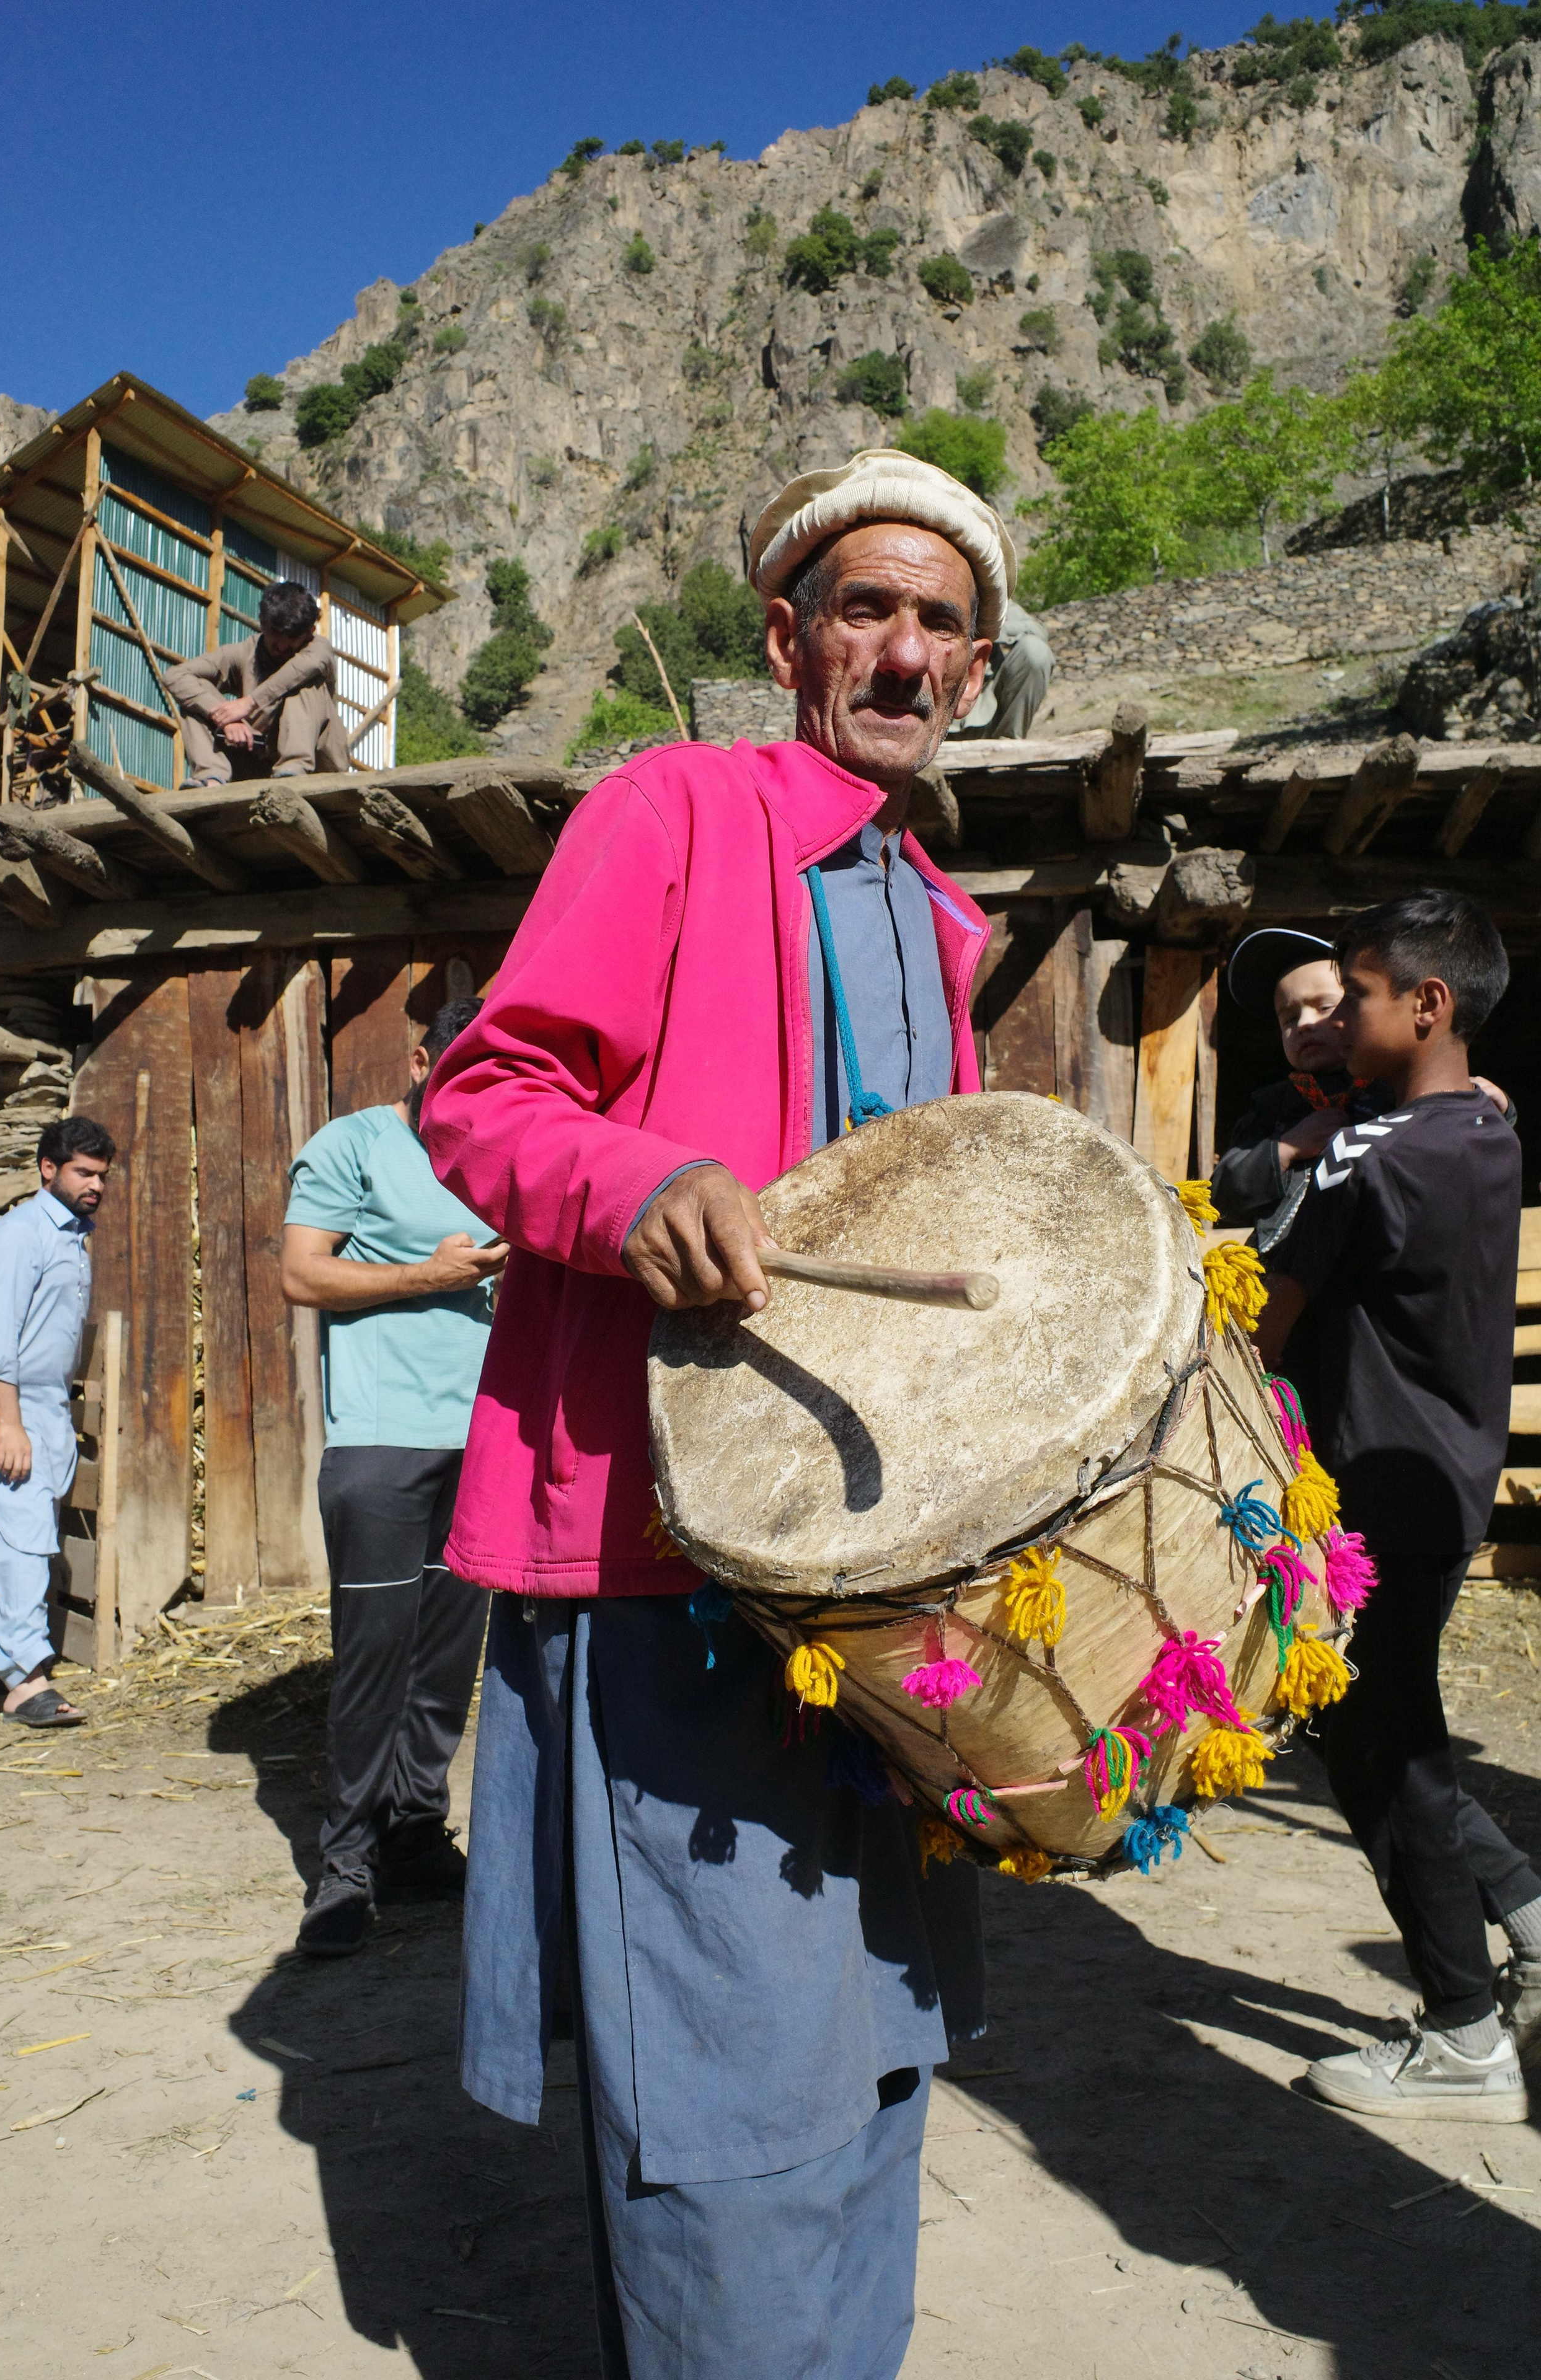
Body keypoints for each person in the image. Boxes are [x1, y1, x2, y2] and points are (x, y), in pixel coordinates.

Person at [422, 446, 1002, 2379]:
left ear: (976, 668)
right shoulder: (676, 809)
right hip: (676, 1558)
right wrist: (635, 1180)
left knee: (882, 2047)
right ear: (786, 636)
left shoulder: (935, 917)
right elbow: (483, 1099)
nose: (903, 649)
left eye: (940, 619)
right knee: (734, 2095)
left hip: (884, 1575)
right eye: (867, 606)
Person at [1254, 891, 1541, 2120]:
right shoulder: (1481, 1138)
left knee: (1384, 1759)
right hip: (1442, 1485)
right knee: (1382, 1736)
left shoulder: (1368, 1156)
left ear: (1424, 1006)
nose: (1336, 1016)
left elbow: (1262, 1312)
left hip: (1360, 1498)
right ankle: (1525, 1918)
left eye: (1356, 996)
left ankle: (1463, 2034)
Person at [281, 998, 508, 1957]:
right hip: (381, 1442)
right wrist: (430, 1276)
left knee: (448, 1664)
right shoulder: (355, 1145)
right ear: (420, 1060)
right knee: (375, 1655)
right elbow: (303, 1276)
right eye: (457, 1071)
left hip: (484, 1442)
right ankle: (346, 1867)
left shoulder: (498, 1157)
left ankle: (416, 1834)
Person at [0, 1117, 115, 1727]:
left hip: (41, 1406)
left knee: (5, 1536)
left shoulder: (70, 1236)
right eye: (83, 1172)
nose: (95, 1184)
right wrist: (8, 1424)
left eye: (101, 1175)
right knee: (23, 1539)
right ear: (48, 1169)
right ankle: (26, 1680)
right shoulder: (20, 1234)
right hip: (7, 1407)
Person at [1214, 925, 1511, 1254]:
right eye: (1288, 1018)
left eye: (1325, 1007)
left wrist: (1492, 1107)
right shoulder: (1273, 1105)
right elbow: (1223, 1193)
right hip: (1290, 1265)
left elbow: (1460, 1140)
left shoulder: (1396, 1084)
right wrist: (1288, 1148)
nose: (1304, 1025)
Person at [165, 580, 351, 788]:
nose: (281, 646)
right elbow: (176, 676)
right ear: (263, 622)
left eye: (290, 640)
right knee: (194, 697)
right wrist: (225, 719)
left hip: (320, 763)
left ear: (310, 631)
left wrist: (250, 703)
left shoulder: (320, 649)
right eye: (275, 636)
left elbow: (304, 667)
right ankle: (211, 776)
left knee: (301, 680)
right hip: (259, 762)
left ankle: (293, 769)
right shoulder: (244, 653)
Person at [944, 593, 1054, 741]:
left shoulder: (995, 600)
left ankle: (1010, 743)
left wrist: (995, 630)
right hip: (938, 712)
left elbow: (1038, 630)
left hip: (988, 705)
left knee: (1036, 651)